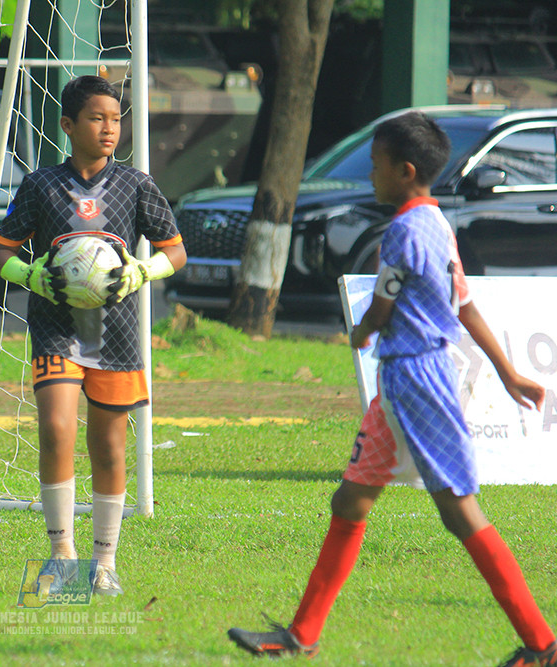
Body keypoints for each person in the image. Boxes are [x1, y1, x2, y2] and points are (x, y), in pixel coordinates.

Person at [227, 111, 554, 666]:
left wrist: (360, 330)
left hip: (418, 380)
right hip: (399, 383)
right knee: (350, 498)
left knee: (459, 511)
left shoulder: (404, 229)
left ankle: (542, 644)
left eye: (376, 167)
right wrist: (508, 372)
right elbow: (466, 304)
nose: (371, 176)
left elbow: (385, 302)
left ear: (405, 172)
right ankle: (301, 634)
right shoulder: (436, 222)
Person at [0, 75, 186, 596]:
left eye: (115, 119)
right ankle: (62, 557)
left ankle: (105, 563)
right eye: (97, 118)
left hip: (117, 334)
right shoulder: (40, 186)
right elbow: (0, 253)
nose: (108, 128)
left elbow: (175, 251)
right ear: (68, 125)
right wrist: (32, 277)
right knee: (55, 428)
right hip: (55, 327)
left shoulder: (136, 185)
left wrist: (142, 272)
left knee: (109, 448)